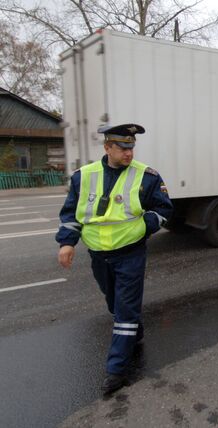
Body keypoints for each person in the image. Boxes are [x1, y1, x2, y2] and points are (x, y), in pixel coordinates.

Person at [56, 123, 173, 394]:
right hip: (98, 255)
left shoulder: (147, 176)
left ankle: (116, 370)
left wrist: (144, 227)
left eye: (131, 147)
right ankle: (135, 331)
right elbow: (71, 213)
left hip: (130, 253)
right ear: (107, 147)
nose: (129, 153)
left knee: (125, 310)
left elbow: (164, 209)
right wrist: (66, 243)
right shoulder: (83, 176)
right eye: (122, 148)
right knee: (114, 303)